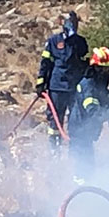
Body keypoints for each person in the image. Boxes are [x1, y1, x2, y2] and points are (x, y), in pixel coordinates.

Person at [35, 10, 89, 149]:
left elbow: (84, 63)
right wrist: (41, 83)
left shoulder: (80, 42)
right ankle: (55, 149)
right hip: (57, 87)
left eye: (75, 22)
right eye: (70, 22)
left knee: (76, 118)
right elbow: (46, 63)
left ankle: (75, 149)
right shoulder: (54, 41)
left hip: (75, 87)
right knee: (55, 120)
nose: (73, 25)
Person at [68, 46, 109, 182]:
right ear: (96, 68)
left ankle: (85, 187)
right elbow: (93, 111)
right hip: (79, 132)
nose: (108, 73)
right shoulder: (88, 85)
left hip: (87, 133)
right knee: (82, 168)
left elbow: (107, 101)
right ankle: (78, 190)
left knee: (89, 168)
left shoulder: (98, 85)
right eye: (105, 69)